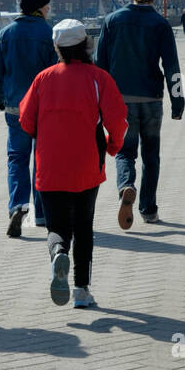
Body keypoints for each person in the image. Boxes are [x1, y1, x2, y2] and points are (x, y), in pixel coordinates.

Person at [19, 19, 128, 308]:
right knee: (83, 226)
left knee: (56, 225)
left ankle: (57, 253)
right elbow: (118, 119)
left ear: (57, 47)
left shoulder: (42, 79)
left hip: (50, 166)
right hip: (87, 167)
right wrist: (113, 145)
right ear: (85, 45)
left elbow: (25, 121)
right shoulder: (98, 78)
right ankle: (81, 290)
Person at [96, 0, 185, 228]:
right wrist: (178, 102)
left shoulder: (111, 21)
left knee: (125, 151)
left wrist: (98, 101)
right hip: (152, 100)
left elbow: (99, 66)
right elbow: (172, 66)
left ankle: (126, 185)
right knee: (151, 155)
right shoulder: (160, 24)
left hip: (120, 101)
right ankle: (148, 209)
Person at [0, 0, 58, 236]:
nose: (49, 10)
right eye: (47, 6)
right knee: (41, 159)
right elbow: (56, 74)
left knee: (17, 158)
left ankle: (18, 205)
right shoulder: (49, 34)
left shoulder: (6, 34)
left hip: (15, 108)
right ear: (40, 7)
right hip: (43, 110)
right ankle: (41, 214)